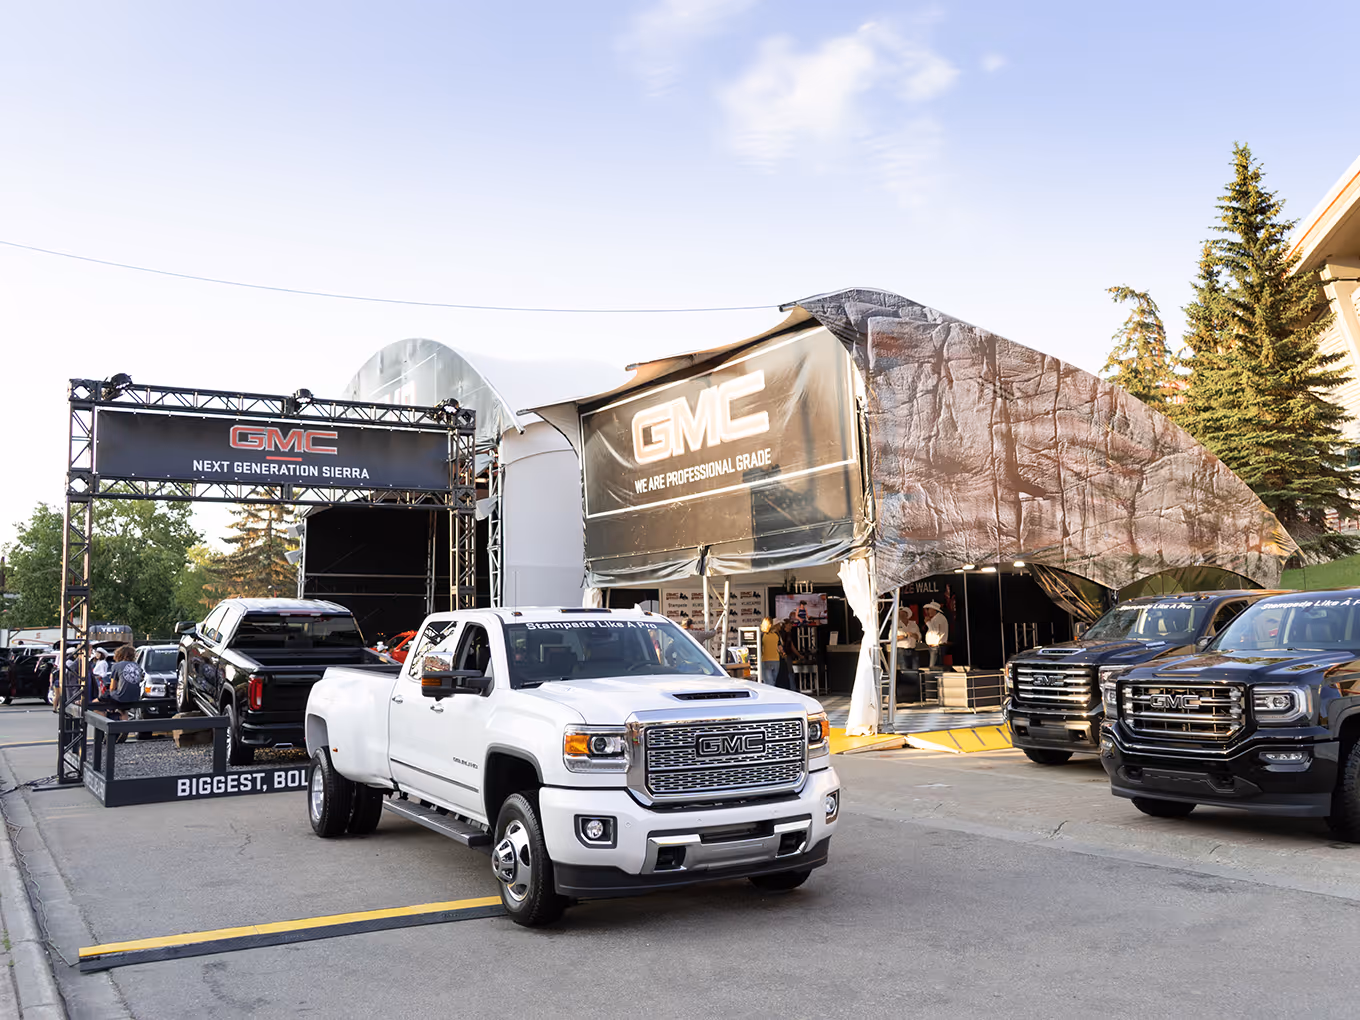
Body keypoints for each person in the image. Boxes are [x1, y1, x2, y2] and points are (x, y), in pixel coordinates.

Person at [92, 644, 144, 742]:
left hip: (120, 696)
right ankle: (125, 726)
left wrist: (109, 698)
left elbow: (112, 687)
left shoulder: (117, 666)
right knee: (123, 710)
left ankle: (106, 727)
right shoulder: (137, 666)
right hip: (135, 697)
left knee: (94, 705)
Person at [923, 601, 949, 668]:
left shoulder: (938, 618)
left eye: (929, 609)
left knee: (933, 667)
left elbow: (935, 631)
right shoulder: (936, 618)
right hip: (935, 647)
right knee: (936, 667)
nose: (928, 611)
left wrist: (928, 622)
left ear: (934, 610)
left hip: (936, 646)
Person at [759, 619, 781, 685]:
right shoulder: (776, 635)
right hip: (776, 660)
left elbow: (759, 648)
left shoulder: (762, 635)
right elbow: (780, 647)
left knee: (768, 684)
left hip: (766, 660)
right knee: (773, 682)